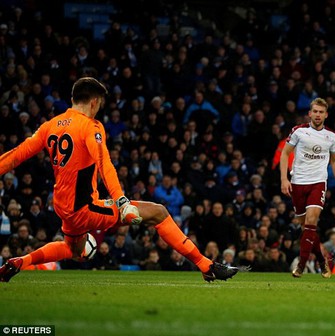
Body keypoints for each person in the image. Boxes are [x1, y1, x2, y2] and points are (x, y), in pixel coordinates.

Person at [0, 77, 240, 283]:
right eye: (100, 104)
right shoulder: (90, 126)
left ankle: (21, 261)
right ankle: (206, 265)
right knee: (158, 212)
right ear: (94, 101)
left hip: (63, 206)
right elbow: (105, 164)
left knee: (72, 249)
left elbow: (15, 156)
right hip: (85, 208)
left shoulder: (50, 126)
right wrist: (122, 201)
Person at [280, 97, 335, 278]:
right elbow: (285, 154)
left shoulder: (331, 136)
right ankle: (322, 261)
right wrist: (284, 179)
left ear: (326, 115)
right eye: (315, 111)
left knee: (312, 219)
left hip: (318, 182)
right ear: (310, 114)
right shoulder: (298, 131)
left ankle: (301, 266)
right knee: (306, 228)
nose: (317, 115)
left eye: (321, 112)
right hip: (298, 182)